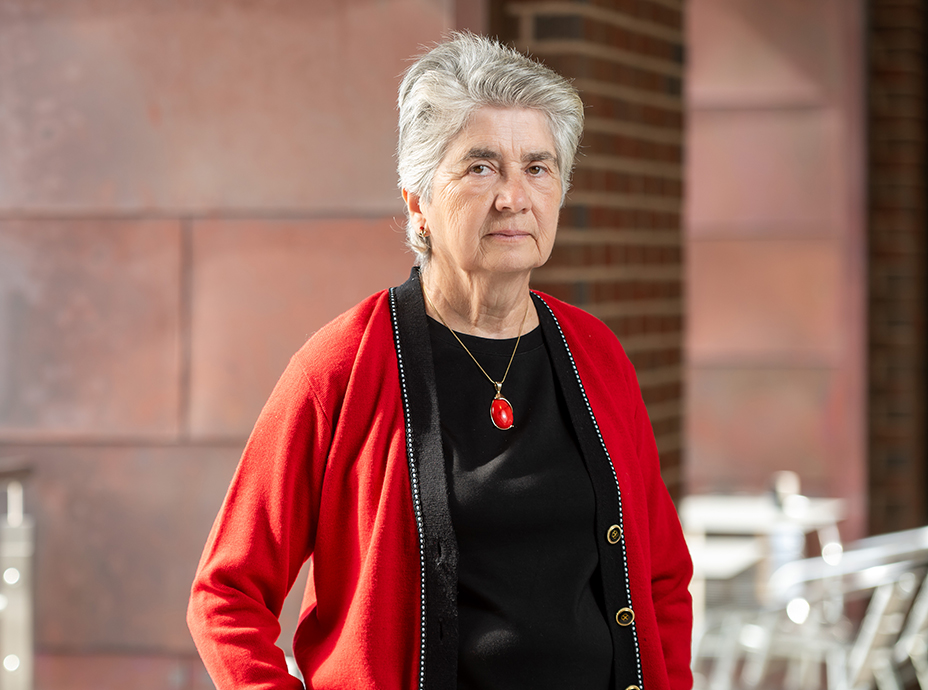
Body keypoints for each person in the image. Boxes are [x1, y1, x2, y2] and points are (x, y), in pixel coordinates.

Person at [187, 32, 692, 690]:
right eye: (480, 167)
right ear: (418, 201)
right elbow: (226, 596)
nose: (514, 196)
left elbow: (661, 579)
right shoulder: (344, 364)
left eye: (537, 167)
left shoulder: (596, 355)